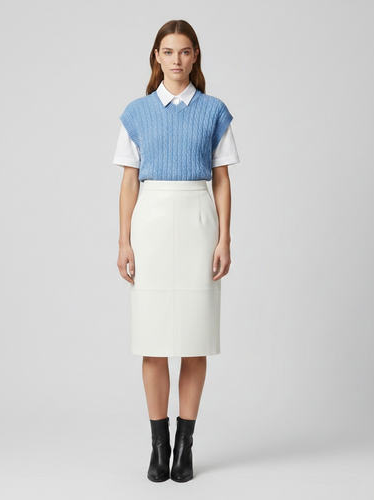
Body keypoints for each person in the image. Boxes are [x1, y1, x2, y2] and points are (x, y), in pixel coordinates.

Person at [113, 19, 239, 483]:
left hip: (198, 223)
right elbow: (129, 182)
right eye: (168, 52)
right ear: (156, 57)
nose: (177, 60)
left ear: (195, 56)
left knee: (194, 339)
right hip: (150, 224)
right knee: (152, 340)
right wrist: (124, 240)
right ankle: (159, 445)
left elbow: (222, 180)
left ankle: (185, 446)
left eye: (185, 51)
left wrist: (224, 238)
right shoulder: (136, 113)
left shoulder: (214, 111)